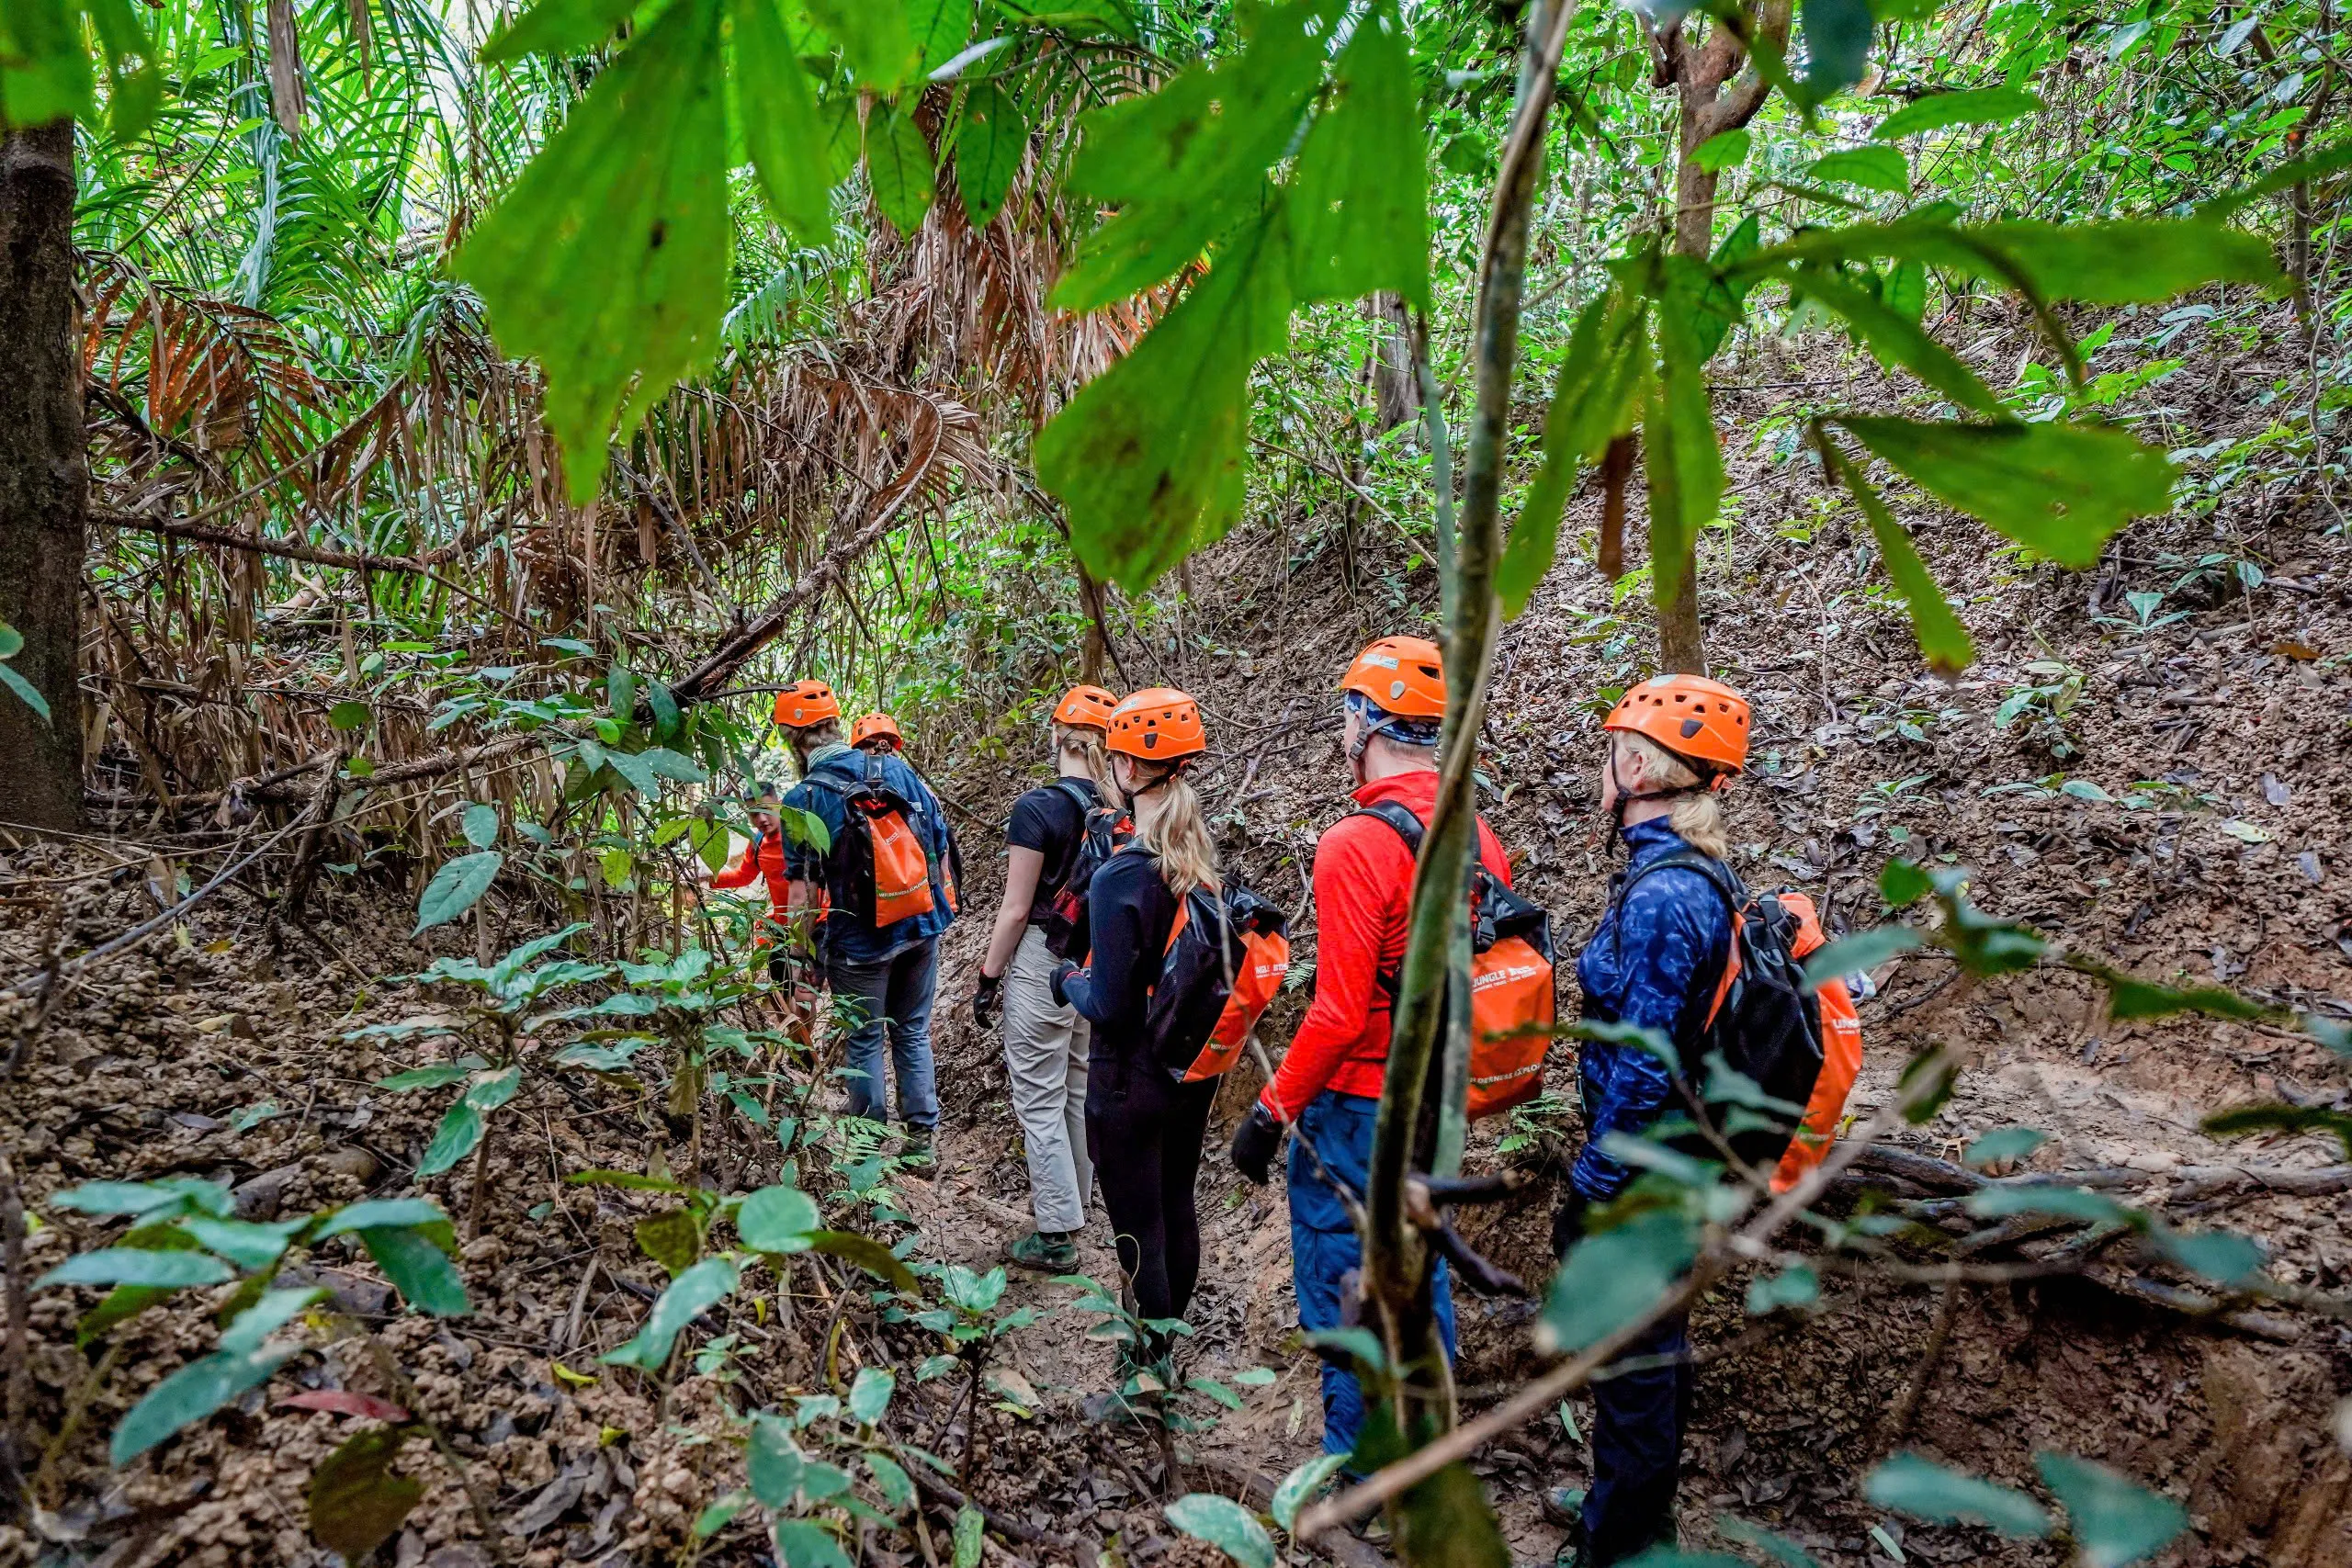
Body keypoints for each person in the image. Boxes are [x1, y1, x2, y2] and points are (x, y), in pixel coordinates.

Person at [1227, 636, 1504, 1461]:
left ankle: (1360, 1473)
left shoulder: (1355, 842)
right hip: (1436, 1095)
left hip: (1360, 1105)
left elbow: (1340, 1012)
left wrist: (1271, 1114)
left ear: (1365, 722)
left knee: (1348, 1280)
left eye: (1349, 714)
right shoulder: (1474, 829)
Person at [1548, 672, 1750, 1566]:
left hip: (1647, 1171)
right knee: (1646, 1350)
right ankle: (1631, 1513)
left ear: (1635, 766)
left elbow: (1645, 1059)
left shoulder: (1668, 895)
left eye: (1610, 754)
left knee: (1635, 1363)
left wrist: (1593, 1184)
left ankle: (1613, 1547)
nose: (1603, 770)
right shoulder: (1684, 875)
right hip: (1670, 1161)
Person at [1048, 689, 1219, 1377]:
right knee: (1176, 1203)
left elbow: (1111, 1005)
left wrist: (1067, 980)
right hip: (1189, 1072)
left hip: (1127, 1081)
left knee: (1137, 1229)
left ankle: (1148, 1375)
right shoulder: (1197, 860)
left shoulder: (1123, 873)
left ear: (1124, 765)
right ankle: (1167, 1351)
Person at [774, 680, 958, 1168]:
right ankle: (921, 1141)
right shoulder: (895, 768)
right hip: (920, 924)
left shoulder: (802, 798)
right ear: (836, 725)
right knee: (913, 1030)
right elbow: (937, 841)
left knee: (864, 1036)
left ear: (794, 739)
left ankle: (867, 1146)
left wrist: (801, 957)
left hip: (860, 941)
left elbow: (804, 891)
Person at [973, 684, 1122, 1272]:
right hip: (1093, 960)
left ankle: (1057, 1232)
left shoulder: (1038, 809)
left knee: (1038, 1093)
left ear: (1058, 735)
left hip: (1042, 956)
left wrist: (988, 976)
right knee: (1076, 1083)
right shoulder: (1119, 808)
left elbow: (1015, 909)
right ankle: (1077, 1201)